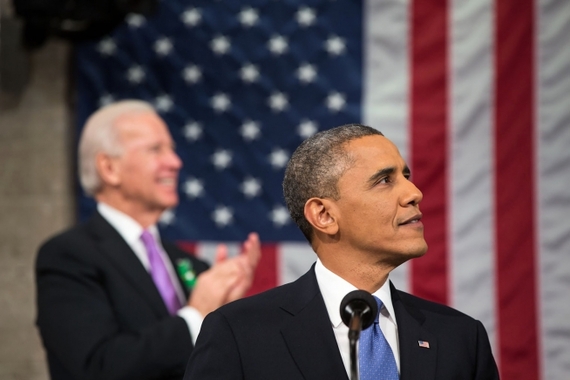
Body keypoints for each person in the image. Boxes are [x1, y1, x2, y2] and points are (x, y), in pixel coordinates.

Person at [183, 124, 499, 380]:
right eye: (385, 180)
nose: (414, 193)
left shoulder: (460, 338)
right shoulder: (240, 334)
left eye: (406, 176)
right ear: (324, 216)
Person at [35, 100, 261, 380]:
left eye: (173, 150)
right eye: (155, 150)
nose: (175, 162)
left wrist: (227, 319)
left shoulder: (189, 264)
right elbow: (95, 367)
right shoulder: (68, 255)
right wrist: (196, 315)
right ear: (109, 168)